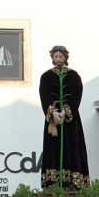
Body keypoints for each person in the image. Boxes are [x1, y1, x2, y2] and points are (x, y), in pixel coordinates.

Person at [39, 45, 90, 189]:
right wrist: (53, 112)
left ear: (66, 58)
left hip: (70, 121)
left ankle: (73, 183)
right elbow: (44, 96)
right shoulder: (46, 77)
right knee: (53, 149)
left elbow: (76, 96)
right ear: (52, 59)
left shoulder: (74, 76)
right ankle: (53, 184)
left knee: (72, 148)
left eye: (60, 56)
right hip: (52, 122)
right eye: (55, 56)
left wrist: (65, 111)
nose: (58, 59)